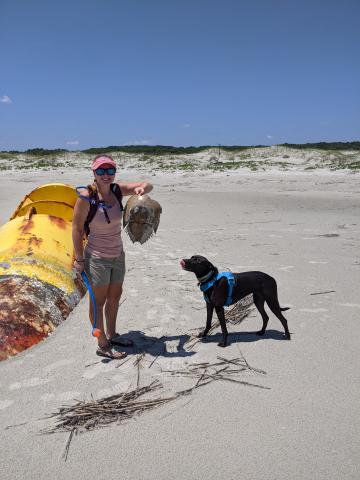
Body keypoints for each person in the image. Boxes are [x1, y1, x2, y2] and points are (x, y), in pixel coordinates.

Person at [72, 154, 153, 359]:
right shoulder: (85, 197)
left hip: (118, 255)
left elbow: (148, 184)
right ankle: (102, 343)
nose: (106, 175)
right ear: (94, 172)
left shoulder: (117, 190)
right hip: (96, 258)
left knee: (115, 297)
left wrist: (140, 190)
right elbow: (76, 229)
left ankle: (112, 334)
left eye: (110, 170)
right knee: (98, 302)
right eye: (101, 171)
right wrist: (79, 259)